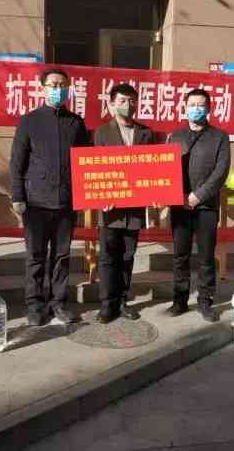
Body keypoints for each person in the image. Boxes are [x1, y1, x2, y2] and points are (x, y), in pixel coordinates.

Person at [9, 68, 89, 326]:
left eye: (63, 85)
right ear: (43, 87)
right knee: (35, 256)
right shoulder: (29, 121)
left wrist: (87, 195)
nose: (58, 89)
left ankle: (58, 303)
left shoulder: (76, 123)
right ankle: (35, 305)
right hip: (35, 202)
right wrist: (17, 196)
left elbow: (86, 162)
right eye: (53, 84)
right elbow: (17, 162)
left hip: (66, 201)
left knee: (62, 257)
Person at [166, 88, 231, 322]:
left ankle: (205, 301)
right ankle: (180, 300)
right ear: (185, 108)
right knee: (180, 256)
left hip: (206, 207)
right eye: (192, 104)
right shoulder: (175, 136)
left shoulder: (220, 137)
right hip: (179, 206)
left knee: (206, 257)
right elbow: (165, 169)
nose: (196, 109)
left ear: (209, 108)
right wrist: (175, 195)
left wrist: (198, 196)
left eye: (200, 105)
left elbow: (221, 171)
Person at [94, 83, 154, 324]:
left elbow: (152, 168)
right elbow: (94, 168)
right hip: (110, 208)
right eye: (122, 100)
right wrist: (101, 196)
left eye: (131, 100)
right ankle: (107, 305)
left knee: (128, 256)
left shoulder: (146, 133)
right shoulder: (101, 133)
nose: (128, 105)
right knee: (108, 257)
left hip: (135, 209)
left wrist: (155, 193)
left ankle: (122, 301)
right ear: (111, 104)